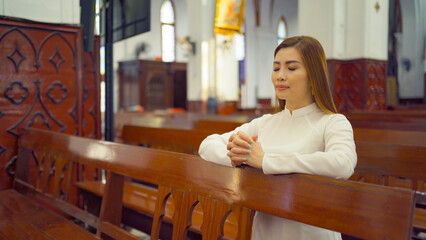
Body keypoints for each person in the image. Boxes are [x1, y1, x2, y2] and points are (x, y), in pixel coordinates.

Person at [198, 36, 357, 240]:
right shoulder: (264, 123)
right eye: (276, 68)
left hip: (310, 231)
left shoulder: (332, 122)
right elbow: (207, 145)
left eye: (291, 68)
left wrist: (266, 160)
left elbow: (343, 163)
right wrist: (238, 157)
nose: (280, 76)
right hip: (266, 229)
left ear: (313, 74)